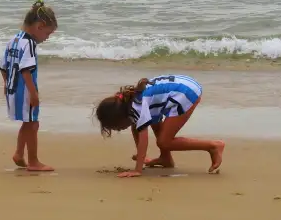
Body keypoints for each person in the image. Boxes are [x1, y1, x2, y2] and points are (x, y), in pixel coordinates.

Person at [93, 74, 225, 178]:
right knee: (153, 122)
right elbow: (136, 128)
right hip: (182, 84)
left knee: (164, 142)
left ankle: (213, 146)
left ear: (119, 117)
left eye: (116, 127)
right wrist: (141, 156)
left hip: (185, 93)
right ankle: (165, 159)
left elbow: (143, 136)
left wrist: (138, 170)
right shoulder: (130, 101)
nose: (118, 130)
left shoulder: (137, 107)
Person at [0, 0, 58, 172]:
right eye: (48, 34)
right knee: (33, 123)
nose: (46, 38)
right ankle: (33, 161)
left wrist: (6, 84)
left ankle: (19, 154)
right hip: (24, 91)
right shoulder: (29, 43)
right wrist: (33, 93)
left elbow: (2, 65)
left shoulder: (14, 40)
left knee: (29, 122)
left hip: (13, 89)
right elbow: (26, 70)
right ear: (39, 26)